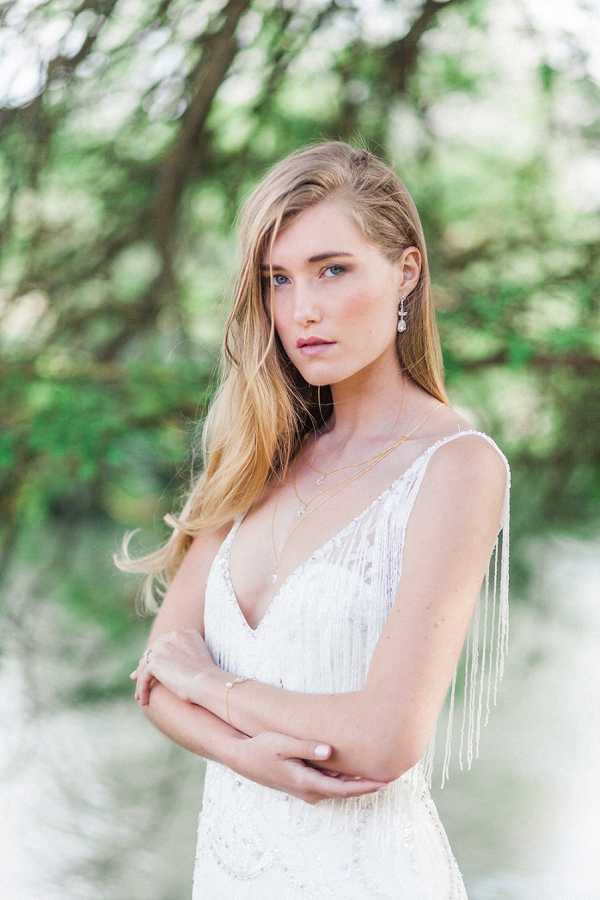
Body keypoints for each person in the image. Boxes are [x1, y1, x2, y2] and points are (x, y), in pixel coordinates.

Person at [118, 140, 511, 898]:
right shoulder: (258, 456)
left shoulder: (456, 466)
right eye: (279, 279)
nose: (302, 309)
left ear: (405, 272)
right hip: (230, 873)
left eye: (332, 270)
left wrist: (213, 688)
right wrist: (248, 756)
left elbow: (385, 738)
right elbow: (156, 679)